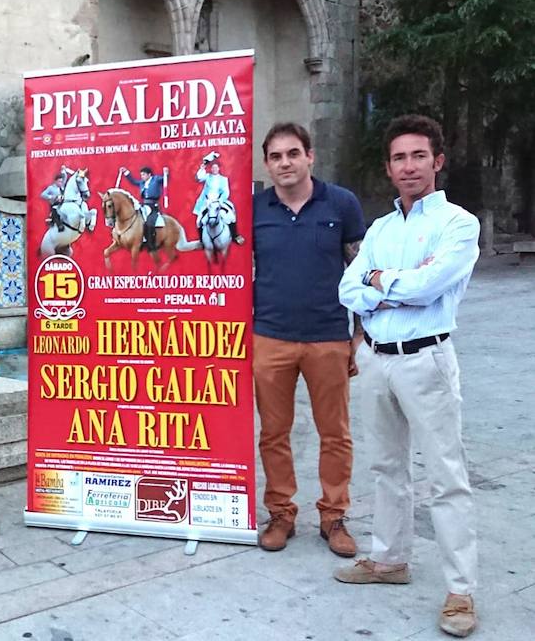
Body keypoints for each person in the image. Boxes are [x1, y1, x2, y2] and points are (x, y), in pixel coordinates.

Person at [335, 115, 479, 638]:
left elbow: (429, 287)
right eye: (399, 158)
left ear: (437, 161)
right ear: (389, 167)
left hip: (426, 359)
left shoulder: (459, 224)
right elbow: (348, 289)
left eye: (419, 156)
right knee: (386, 467)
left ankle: (460, 590)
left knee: (446, 475)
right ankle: (389, 560)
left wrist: (379, 281)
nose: (409, 166)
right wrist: (392, 284)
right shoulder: (380, 228)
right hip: (376, 358)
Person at [253, 122, 366, 557]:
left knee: (335, 433)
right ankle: (281, 513)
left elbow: (360, 272)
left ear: (309, 156)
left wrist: (358, 335)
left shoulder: (341, 203)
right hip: (270, 337)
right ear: (267, 164)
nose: (285, 163)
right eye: (276, 156)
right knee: (273, 433)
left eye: (293, 153)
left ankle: (333, 516)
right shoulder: (255, 209)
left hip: (328, 338)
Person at [193, 155, 244, 245]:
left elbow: (226, 192)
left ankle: (234, 235)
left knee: (231, 216)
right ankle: (202, 241)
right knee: (199, 221)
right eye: (213, 168)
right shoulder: (207, 177)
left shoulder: (223, 179)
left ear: (219, 168)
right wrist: (202, 168)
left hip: (219, 201)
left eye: (216, 167)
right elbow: (198, 178)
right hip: (207, 202)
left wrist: (220, 201)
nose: (214, 169)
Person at [121, 165, 164, 250]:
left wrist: (166, 174)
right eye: (141, 175)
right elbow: (133, 181)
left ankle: (151, 242)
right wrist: (126, 172)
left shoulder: (156, 179)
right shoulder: (142, 183)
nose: (142, 177)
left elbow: (164, 179)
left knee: (149, 222)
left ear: (149, 174)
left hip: (153, 205)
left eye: (143, 174)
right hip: (144, 204)